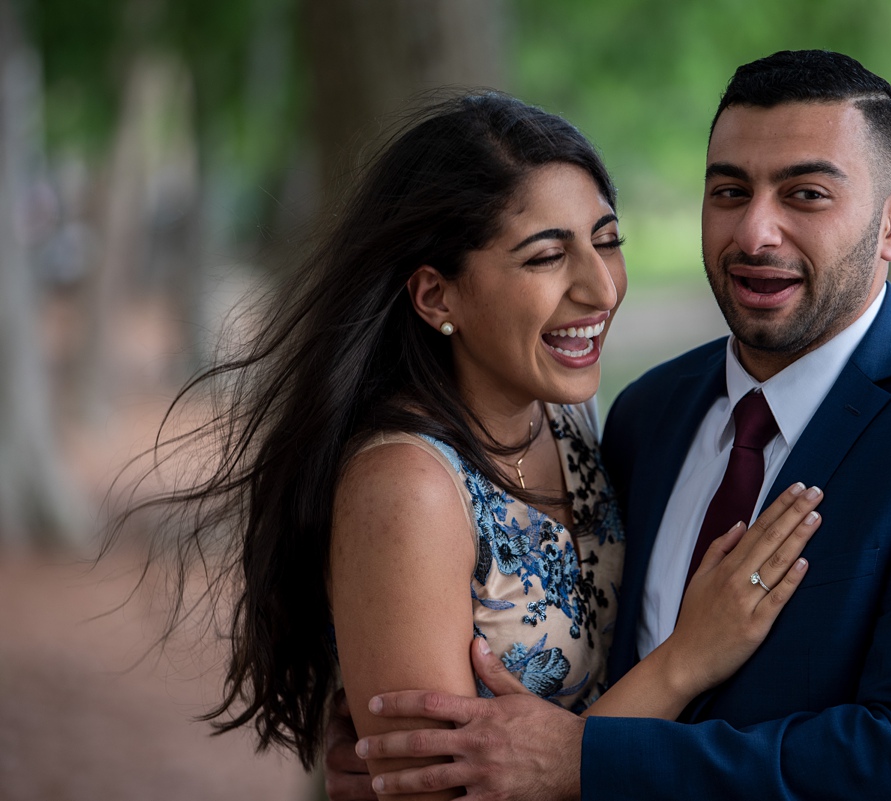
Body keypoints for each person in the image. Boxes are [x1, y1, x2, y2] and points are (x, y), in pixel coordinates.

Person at [327, 50, 891, 800]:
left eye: (806, 195)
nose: (756, 231)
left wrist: (582, 760)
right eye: (729, 190)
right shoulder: (646, 413)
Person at [115, 92, 831, 800]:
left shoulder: (565, 418)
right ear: (435, 297)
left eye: (607, 241)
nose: (600, 286)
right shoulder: (408, 486)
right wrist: (685, 661)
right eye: (546, 257)